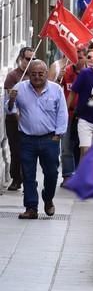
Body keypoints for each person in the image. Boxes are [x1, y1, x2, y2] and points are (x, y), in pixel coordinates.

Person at [5, 60, 68, 219]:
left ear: (47, 73)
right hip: (27, 139)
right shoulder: (20, 88)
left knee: (52, 173)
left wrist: (59, 134)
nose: (37, 77)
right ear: (29, 74)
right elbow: (9, 110)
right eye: (34, 74)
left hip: (50, 139)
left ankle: (48, 198)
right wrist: (11, 99)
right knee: (28, 174)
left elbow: (62, 112)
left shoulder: (56, 90)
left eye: (41, 74)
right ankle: (31, 207)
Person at [3, 46, 34, 191]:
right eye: (28, 59)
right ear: (21, 59)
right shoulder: (12, 76)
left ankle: (27, 178)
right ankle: (16, 178)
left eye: (33, 59)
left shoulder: (36, 76)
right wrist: (18, 117)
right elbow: (10, 103)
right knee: (16, 150)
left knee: (29, 151)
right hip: (14, 120)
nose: (30, 62)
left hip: (30, 119)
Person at [60, 48, 88, 186]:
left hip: (84, 115)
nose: (78, 60)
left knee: (82, 146)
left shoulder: (89, 74)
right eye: (75, 57)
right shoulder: (66, 72)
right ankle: (67, 175)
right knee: (66, 146)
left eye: (81, 57)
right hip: (68, 114)